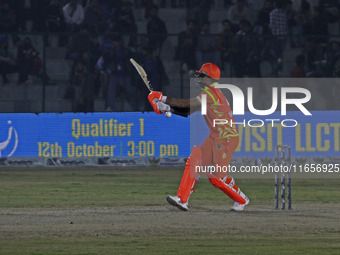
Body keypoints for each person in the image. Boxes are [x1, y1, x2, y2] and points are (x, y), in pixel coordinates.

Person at [147, 63, 250, 211]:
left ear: (209, 78)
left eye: (202, 75)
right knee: (194, 159)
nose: (198, 78)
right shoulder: (209, 93)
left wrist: (162, 98)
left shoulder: (211, 93)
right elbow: (188, 110)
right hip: (216, 136)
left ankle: (241, 199)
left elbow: (187, 104)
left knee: (216, 177)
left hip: (226, 138)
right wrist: (166, 108)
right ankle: (182, 199)